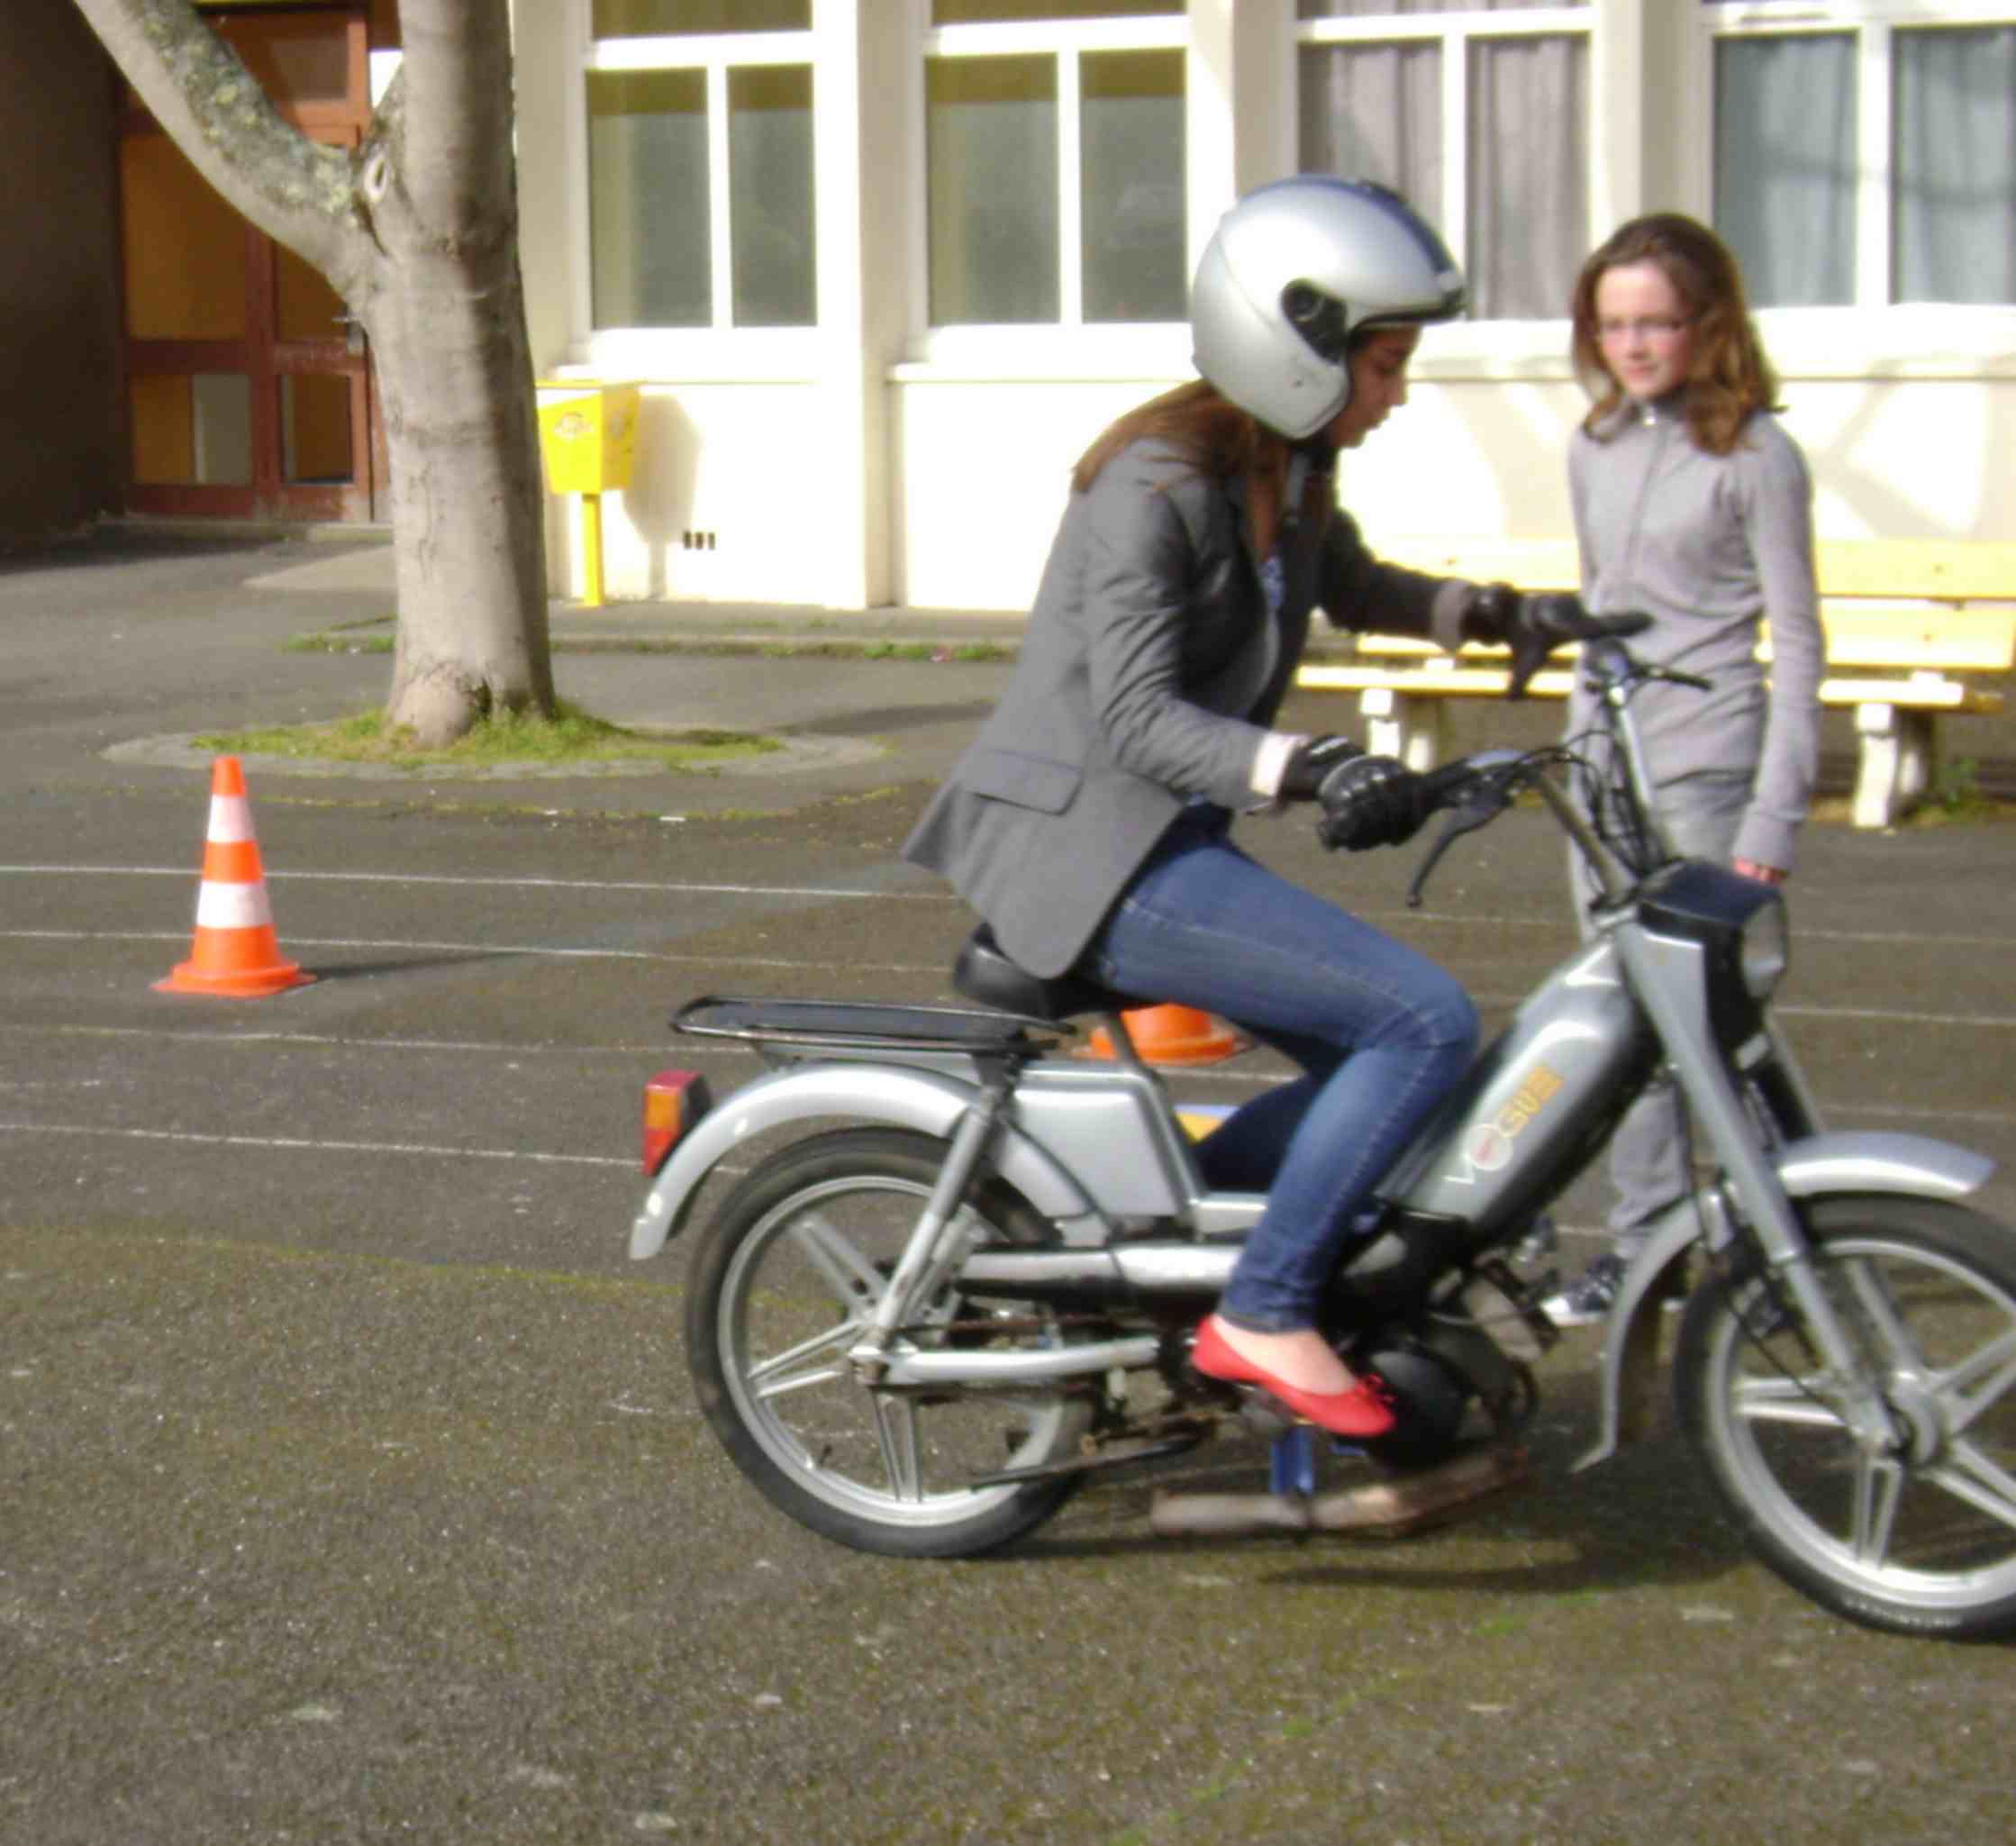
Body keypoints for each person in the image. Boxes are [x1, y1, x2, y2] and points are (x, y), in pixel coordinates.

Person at [904, 177, 1586, 1437]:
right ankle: (1263, 1308)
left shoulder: (1288, 467)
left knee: (1400, 1074)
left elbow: (1356, 584)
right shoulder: (1152, 486)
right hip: (1089, 855)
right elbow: (1136, 717)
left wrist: (1497, 613)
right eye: (1385, 364)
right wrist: (1314, 765)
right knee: (1421, 1023)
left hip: (1157, 845)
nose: (1396, 393)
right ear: (1299, 348)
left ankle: (1174, 1261)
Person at [1543, 212, 1824, 1326]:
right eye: (1614, 326)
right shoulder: (1593, 445)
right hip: (1608, 776)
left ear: (1706, 323)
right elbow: (1596, 611)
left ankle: (1782, 1251)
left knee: (1716, 1023)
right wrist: (1577, 756)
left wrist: (1773, 819)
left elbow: (1798, 642)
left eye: (1656, 323)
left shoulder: (1757, 456)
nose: (1634, 346)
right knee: (1625, 1018)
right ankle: (1644, 1247)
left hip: (1708, 773)